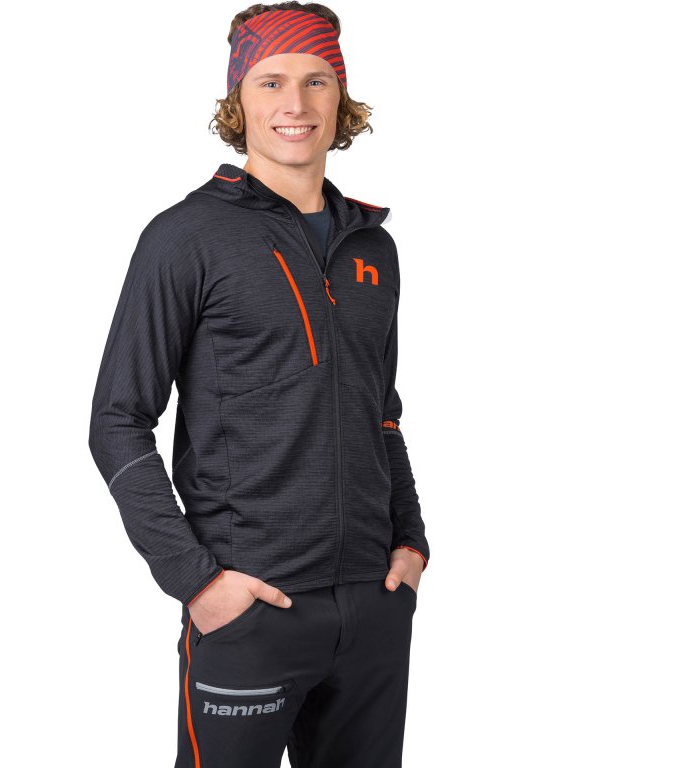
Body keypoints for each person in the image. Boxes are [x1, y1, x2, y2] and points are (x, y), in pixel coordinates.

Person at [88, 3, 430, 765]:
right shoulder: (186, 237)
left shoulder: (373, 247)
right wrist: (196, 582)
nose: (295, 103)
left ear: (341, 98)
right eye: (270, 81)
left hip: (374, 607)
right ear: (238, 101)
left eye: (317, 80)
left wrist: (411, 544)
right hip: (250, 607)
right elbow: (116, 420)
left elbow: (381, 412)